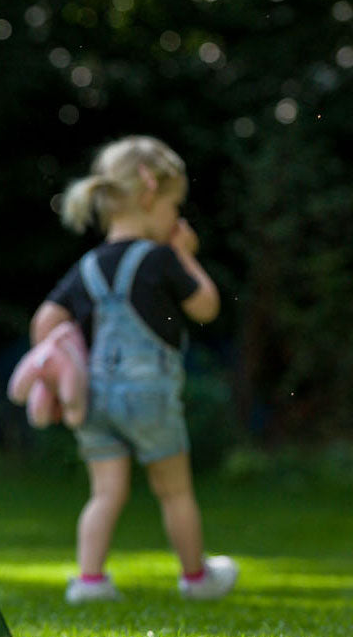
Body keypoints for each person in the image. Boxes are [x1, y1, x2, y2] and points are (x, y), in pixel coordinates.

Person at [29, 135, 237, 604]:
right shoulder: (161, 258)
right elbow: (205, 306)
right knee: (174, 491)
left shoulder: (87, 267)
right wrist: (186, 253)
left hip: (95, 400)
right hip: (148, 396)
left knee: (105, 493)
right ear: (149, 196)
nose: (176, 219)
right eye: (174, 206)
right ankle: (196, 579)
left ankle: (90, 582)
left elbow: (45, 322)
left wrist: (62, 368)